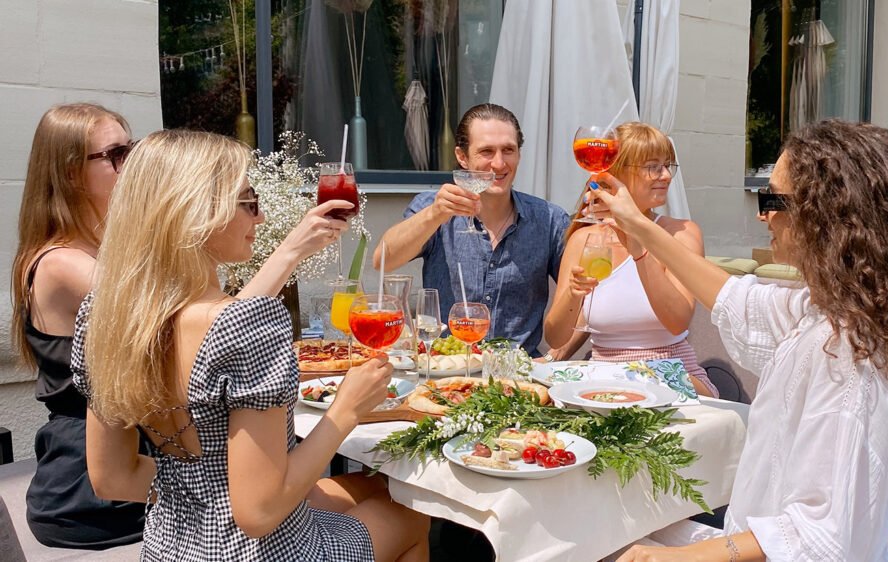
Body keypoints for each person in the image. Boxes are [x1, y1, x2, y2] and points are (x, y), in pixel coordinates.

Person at [594, 120, 888, 561]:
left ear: (823, 213)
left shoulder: (847, 351)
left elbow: (818, 537)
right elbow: (735, 299)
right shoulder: (829, 309)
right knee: (606, 529)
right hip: (765, 543)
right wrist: (640, 228)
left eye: (773, 198)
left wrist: (672, 556)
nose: (762, 213)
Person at [70, 129, 430, 560]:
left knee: (369, 486)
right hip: (270, 550)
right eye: (248, 201)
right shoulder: (247, 325)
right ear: (196, 215)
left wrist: (213, 487)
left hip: (172, 546)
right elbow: (258, 513)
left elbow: (111, 478)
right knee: (412, 514)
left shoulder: (106, 317)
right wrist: (346, 409)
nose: (258, 218)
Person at [10, 103, 356, 549]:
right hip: (96, 491)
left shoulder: (110, 283)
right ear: (71, 172)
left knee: (318, 495)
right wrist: (288, 254)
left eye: (133, 148)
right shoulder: (76, 273)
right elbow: (214, 331)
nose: (134, 161)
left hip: (161, 478)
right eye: (117, 153)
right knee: (350, 502)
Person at [373, 103, 569, 357]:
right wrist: (435, 215)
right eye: (486, 151)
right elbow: (383, 260)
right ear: (462, 157)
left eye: (508, 150)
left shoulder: (550, 219)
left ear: (519, 154)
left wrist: (555, 357)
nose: (499, 163)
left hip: (518, 378)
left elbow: (584, 299)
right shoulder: (435, 207)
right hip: (447, 371)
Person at [544, 122, 717, 397]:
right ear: (615, 173)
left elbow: (677, 321)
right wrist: (574, 295)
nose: (666, 176)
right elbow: (554, 337)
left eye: (667, 165)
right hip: (603, 381)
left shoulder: (682, 233)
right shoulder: (583, 239)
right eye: (652, 166)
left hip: (671, 375)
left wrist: (635, 241)